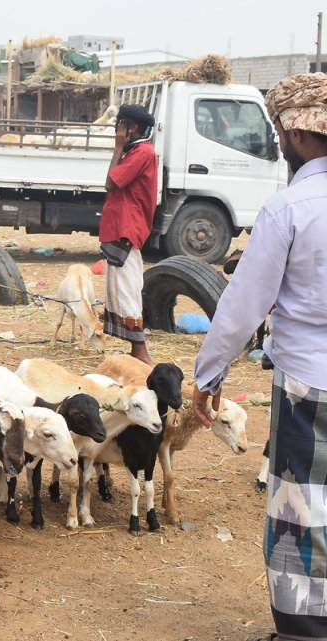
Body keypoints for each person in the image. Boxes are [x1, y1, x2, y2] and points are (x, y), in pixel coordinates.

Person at [193, 73, 327, 641]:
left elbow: (244, 306)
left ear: (295, 134)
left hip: (307, 383)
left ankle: (304, 630)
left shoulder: (290, 207)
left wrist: (209, 373)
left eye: (278, 130)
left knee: (302, 510)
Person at [98, 103, 158, 365]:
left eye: (120, 125)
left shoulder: (142, 152)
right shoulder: (138, 151)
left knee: (126, 288)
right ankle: (136, 351)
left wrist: (117, 147)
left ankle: (140, 351)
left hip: (127, 227)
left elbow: (110, 182)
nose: (116, 130)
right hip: (121, 226)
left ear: (131, 127)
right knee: (123, 287)